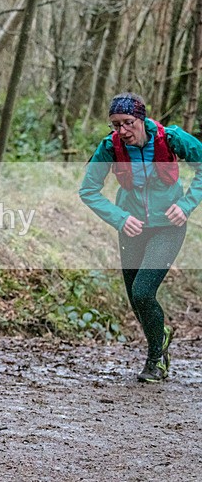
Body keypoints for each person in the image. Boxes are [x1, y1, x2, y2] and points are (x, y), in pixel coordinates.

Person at [79, 92, 202, 382]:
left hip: (168, 226)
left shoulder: (171, 138)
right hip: (131, 229)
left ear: (141, 119)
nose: (122, 130)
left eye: (127, 122)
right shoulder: (110, 146)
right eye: (115, 124)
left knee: (143, 292)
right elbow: (88, 190)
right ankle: (161, 334)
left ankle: (155, 361)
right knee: (137, 302)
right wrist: (120, 218)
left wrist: (186, 205)